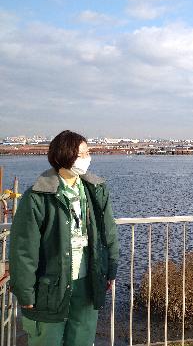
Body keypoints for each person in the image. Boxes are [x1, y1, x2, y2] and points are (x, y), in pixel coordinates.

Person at [9, 130, 119, 346]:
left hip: (87, 282)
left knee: (82, 339)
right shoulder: (38, 197)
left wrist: (110, 268)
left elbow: (109, 232)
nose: (88, 158)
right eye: (83, 154)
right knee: (47, 339)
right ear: (65, 155)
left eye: (88, 153)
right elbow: (23, 248)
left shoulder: (95, 190)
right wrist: (25, 292)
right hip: (49, 286)